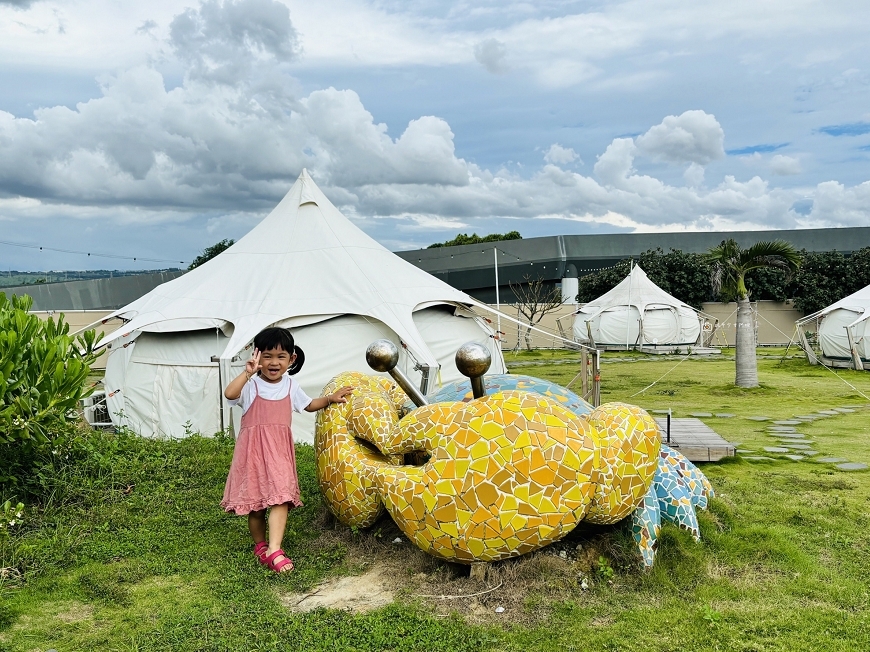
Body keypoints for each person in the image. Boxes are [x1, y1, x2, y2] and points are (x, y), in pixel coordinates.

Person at [220, 327, 352, 573]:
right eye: (267, 356)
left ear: (291, 359)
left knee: (281, 498)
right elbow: (229, 394)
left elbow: (309, 404)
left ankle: (274, 549)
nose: (273, 362)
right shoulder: (251, 386)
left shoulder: (291, 386)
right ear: (257, 357)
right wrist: (247, 374)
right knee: (257, 506)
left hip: (279, 453)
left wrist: (330, 399)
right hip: (253, 454)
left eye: (280, 357)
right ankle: (260, 546)